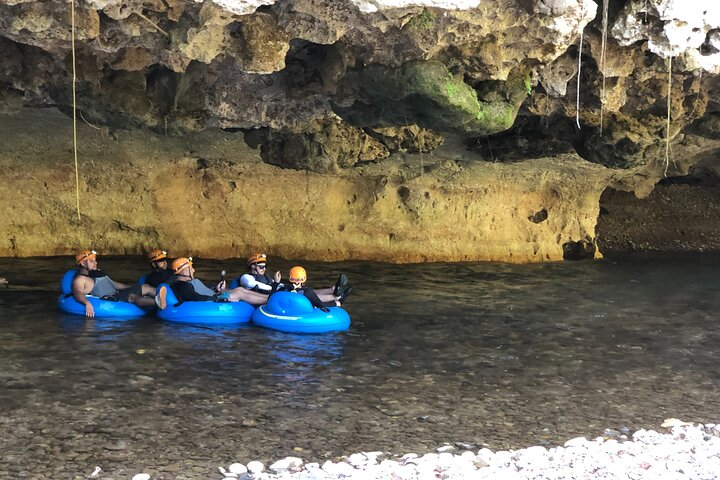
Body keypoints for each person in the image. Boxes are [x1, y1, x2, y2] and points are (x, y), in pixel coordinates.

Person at [156, 257, 270, 309]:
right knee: (240, 293)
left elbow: (201, 291)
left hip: (215, 294)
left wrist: (216, 289)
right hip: (215, 299)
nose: (194, 270)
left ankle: (269, 297)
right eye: (191, 268)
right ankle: (270, 300)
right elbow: (197, 297)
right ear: (185, 271)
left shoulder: (189, 282)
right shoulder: (182, 286)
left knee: (240, 290)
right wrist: (220, 298)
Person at [72, 250, 157, 318]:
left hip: (117, 293)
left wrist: (134, 287)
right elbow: (77, 293)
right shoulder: (81, 279)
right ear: (83, 263)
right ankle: (158, 302)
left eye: (95, 261)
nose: (96, 263)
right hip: (110, 298)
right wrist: (87, 303)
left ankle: (167, 296)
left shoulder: (96, 272)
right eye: (91, 261)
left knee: (145, 287)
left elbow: (114, 284)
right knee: (132, 296)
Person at [241, 252, 349, 303]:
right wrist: (278, 286)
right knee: (304, 295)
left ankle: (334, 290)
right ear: (253, 266)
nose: (264, 269)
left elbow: (272, 284)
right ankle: (336, 297)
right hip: (271, 296)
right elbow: (256, 286)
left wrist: (281, 285)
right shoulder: (246, 277)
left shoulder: (266, 277)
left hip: (277, 291)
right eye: (261, 267)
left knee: (307, 291)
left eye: (265, 266)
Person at [270, 265, 352, 312]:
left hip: (291, 312)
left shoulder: (284, 289)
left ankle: (336, 293)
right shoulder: (307, 292)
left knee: (316, 300)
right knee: (319, 303)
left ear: (290, 278)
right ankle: (339, 302)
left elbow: (270, 300)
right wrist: (336, 304)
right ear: (304, 279)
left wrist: (276, 283)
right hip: (303, 311)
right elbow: (321, 305)